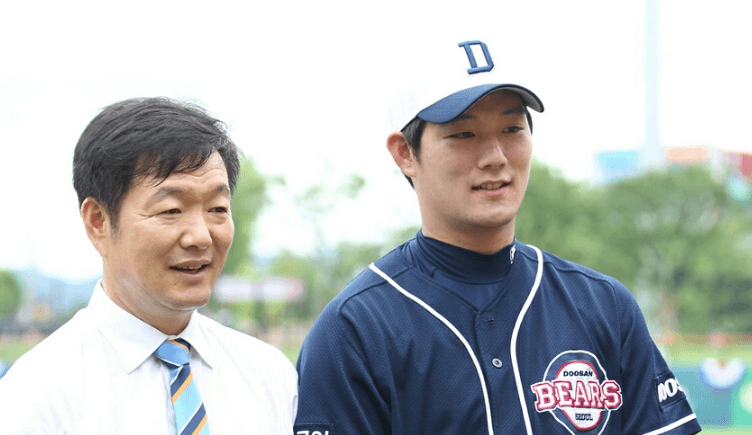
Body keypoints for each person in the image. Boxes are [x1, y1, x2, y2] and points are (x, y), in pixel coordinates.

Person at [294, 38, 701, 434]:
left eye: (511, 128)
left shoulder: (604, 306)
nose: (496, 157)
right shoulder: (354, 329)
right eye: (464, 134)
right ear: (405, 152)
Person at [0, 97, 297, 434]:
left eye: (217, 209)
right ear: (98, 221)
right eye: (171, 210)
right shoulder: (36, 397)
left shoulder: (270, 377)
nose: (200, 237)